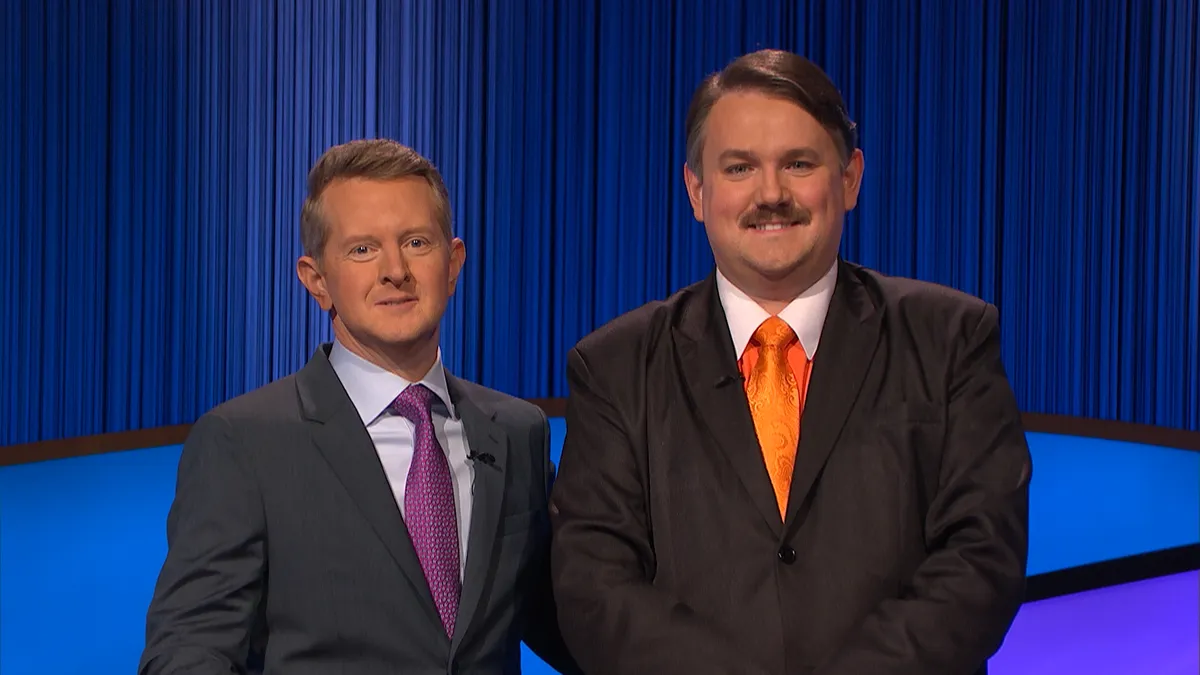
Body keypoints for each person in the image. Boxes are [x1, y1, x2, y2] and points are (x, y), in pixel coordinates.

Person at [549, 49, 1031, 675]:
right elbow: (595, 590)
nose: (770, 194)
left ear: (850, 178)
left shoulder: (951, 339)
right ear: (697, 190)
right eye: (740, 167)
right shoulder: (614, 366)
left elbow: (980, 559)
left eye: (798, 164)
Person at [140, 139, 577, 675]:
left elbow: (564, 620)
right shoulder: (243, 443)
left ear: (454, 262)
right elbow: (190, 650)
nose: (395, 270)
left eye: (416, 241)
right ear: (316, 280)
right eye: (363, 249)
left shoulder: (516, 432)